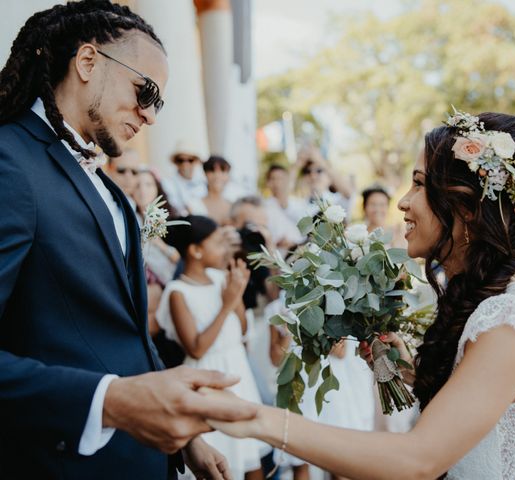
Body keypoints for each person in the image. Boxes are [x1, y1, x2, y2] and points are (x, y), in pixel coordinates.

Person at [201, 111, 515, 480]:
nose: (403, 201)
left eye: (419, 184)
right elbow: (471, 421)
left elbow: (419, 459)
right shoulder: (489, 306)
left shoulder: (509, 323)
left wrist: (257, 418)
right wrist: (402, 369)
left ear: (467, 207)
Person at [0, 2, 255, 478]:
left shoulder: (111, 190)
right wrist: (109, 403)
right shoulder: (9, 162)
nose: (151, 116)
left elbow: (128, 332)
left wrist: (187, 435)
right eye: (146, 91)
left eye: (159, 103)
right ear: (88, 62)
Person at [157, 216, 266, 480]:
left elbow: (240, 330)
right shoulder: (177, 292)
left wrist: (237, 295)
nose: (224, 250)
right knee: (221, 464)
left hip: (237, 372)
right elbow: (196, 348)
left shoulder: (220, 278)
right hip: (208, 380)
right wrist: (227, 304)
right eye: (217, 243)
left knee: (252, 460)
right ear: (195, 250)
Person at [294, 148, 355, 220]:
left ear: (329, 178)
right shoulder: (297, 206)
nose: (313, 176)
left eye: (319, 171)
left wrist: (321, 160)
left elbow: (348, 193)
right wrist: (297, 165)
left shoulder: (337, 200)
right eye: (307, 171)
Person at [263, 164, 306, 252]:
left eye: (281, 178)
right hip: (277, 255)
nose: (277, 183)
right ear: (268, 182)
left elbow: (306, 231)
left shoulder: (300, 204)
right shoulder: (263, 207)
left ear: (287, 180)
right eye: (273, 179)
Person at [162, 142, 208, 216]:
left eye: (190, 160)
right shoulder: (167, 183)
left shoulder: (204, 182)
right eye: (181, 160)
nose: (185, 164)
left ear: (196, 161)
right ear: (176, 162)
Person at [362, 184, 407, 248]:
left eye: (382, 204)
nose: (377, 209)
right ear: (364, 207)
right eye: (373, 204)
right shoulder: (360, 235)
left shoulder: (397, 232)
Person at [201, 155, 232, 225]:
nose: (217, 175)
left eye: (223, 170)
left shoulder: (234, 207)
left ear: (228, 176)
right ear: (205, 174)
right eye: (212, 170)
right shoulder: (194, 206)